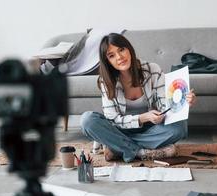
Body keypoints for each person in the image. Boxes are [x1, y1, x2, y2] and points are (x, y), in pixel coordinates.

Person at [80, 33, 196, 163]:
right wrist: (143, 117)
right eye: (111, 55)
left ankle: (118, 147)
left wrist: (181, 102)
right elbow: (113, 119)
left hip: (150, 129)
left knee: (179, 127)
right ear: (108, 61)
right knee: (87, 120)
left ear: (129, 49)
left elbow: (165, 105)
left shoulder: (152, 70)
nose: (119, 57)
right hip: (120, 130)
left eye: (121, 50)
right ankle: (140, 152)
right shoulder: (106, 81)